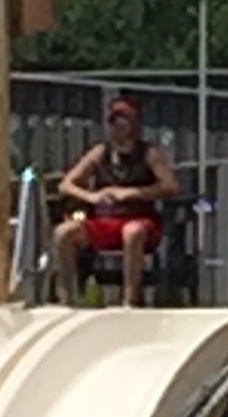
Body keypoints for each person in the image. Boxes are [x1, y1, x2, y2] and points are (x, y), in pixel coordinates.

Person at [52, 93, 179, 308]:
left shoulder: (149, 153)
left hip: (140, 219)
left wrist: (131, 193)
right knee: (63, 233)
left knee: (132, 232)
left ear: (134, 123)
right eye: (115, 121)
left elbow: (171, 186)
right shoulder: (100, 152)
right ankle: (66, 298)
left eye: (125, 120)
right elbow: (66, 184)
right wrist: (92, 196)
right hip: (104, 220)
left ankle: (130, 299)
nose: (119, 127)